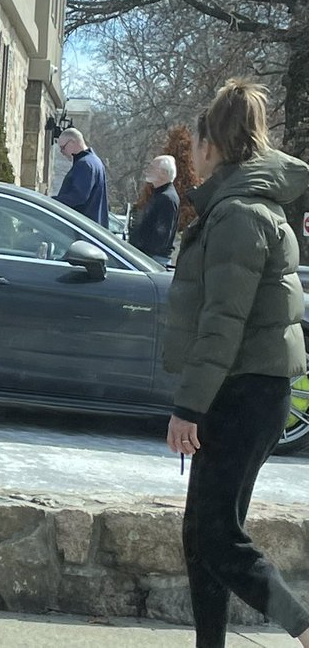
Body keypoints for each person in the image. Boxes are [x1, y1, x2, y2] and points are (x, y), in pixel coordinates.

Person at [163, 80, 309, 648]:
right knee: (201, 534)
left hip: (242, 393)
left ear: (210, 146)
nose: (192, 155)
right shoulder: (238, 206)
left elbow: (223, 322)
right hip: (242, 390)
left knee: (217, 536)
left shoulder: (240, 215)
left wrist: (188, 407)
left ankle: (302, 626)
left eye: (195, 144)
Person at [128, 154, 179, 264]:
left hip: (153, 260)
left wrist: (139, 243)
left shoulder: (167, 198)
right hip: (147, 256)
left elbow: (161, 236)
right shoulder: (158, 194)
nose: (148, 171)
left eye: (152, 168)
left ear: (164, 173)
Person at [54, 128, 109, 226]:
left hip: (82, 227)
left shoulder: (84, 164)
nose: (62, 152)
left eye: (63, 147)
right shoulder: (95, 161)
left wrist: (52, 202)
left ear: (72, 142)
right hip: (92, 226)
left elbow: (78, 196)